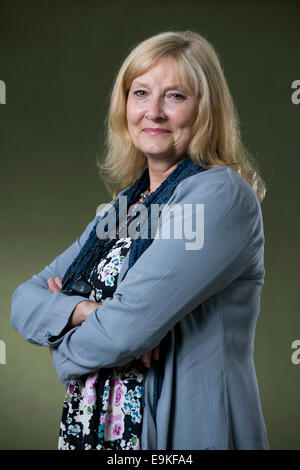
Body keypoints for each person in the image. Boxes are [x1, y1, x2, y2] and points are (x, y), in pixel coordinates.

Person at [10, 30, 270, 450]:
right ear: (124, 105)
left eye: (175, 96)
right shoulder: (127, 207)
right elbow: (23, 299)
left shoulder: (220, 195)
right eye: (141, 92)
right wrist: (84, 310)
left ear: (205, 109)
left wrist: (59, 333)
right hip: (97, 430)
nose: (153, 112)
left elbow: (123, 333)